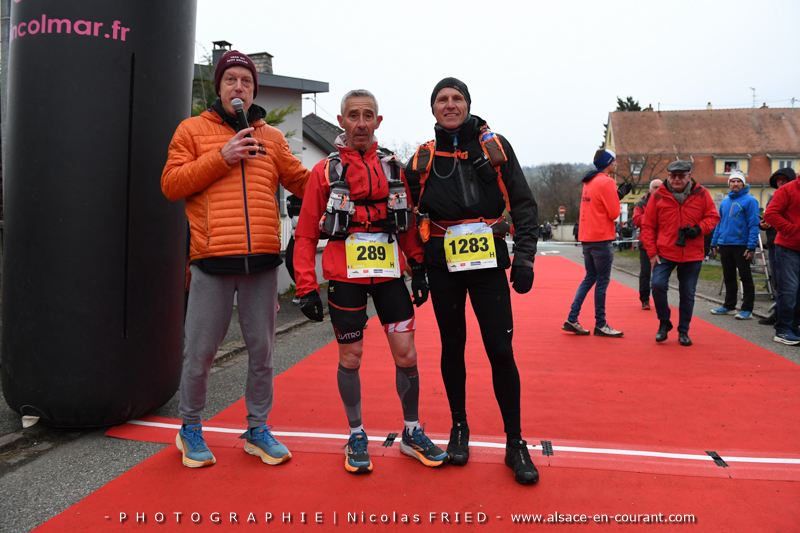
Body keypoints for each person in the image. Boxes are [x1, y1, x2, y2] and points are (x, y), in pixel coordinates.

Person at [161, 51, 310, 468]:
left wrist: (337, 170)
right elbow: (171, 184)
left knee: (263, 353)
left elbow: (301, 180)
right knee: (200, 354)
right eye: (231, 80)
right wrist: (220, 157)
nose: (239, 87)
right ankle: (190, 428)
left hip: (261, 263)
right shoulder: (191, 130)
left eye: (246, 80)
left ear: (253, 90)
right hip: (211, 262)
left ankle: (258, 430)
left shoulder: (272, 138)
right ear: (219, 88)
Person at [293, 89, 447, 474]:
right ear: (341, 121)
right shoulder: (324, 171)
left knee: (407, 354)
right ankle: (356, 433)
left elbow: (406, 224)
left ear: (378, 122)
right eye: (353, 115)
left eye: (367, 115)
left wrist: (418, 267)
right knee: (351, 357)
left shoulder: (393, 168)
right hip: (345, 277)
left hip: (390, 276)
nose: (360, 123)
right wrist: (306, 287)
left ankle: (412, 431)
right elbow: (306, 234)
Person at [405, 77, 539, 484]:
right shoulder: (422, 158)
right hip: (442, 266)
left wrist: (525, 257)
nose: (450, 105)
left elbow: (523, 202)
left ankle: (515, 443)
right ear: (433, 109)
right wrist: (417, 270)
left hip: (488, 266)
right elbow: (407, 217)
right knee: (453, 347)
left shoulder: (494, 148)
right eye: (442, 100)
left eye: (457, 98)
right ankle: (459, 428)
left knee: (500, 350)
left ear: (467, 104)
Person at [639, 161, 720, 346]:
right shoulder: (658, 195)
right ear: (668, 176)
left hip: (692, 253)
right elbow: (647, 225)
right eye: (672, 175)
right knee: (657, 285)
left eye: (681, 176)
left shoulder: (702, 193)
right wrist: (652, 253)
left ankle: (683, 330)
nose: (676, 179)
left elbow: (713, 217)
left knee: (687, 293)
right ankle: (664, 322)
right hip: (665, 251)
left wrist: (699, 229)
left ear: (689, 176)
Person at [563, 149, 629, 338]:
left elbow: (598, 206)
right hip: (601, 238)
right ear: (607, 162)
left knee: (589, 277)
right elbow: (614, 213)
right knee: (602, 282)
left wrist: (615, 195)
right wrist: (618, 196)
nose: (616, 164)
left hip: (588, 237)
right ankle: (601, 324)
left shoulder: (589, 181)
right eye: (614, 161)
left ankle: (572, 317)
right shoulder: (607, 181)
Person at [709, 170, 760, 319]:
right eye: (733, 181)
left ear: (743, 183)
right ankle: (729, 306)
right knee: (728, 276)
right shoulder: (725, 202)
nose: (735, 184)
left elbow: (754, 224)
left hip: (741, 245)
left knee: (745, 277)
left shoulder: (750, 201)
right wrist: (714, 242)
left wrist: (751, 246)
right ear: (729, 184)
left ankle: (747, 309)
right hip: (725, 244)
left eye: (738, 181)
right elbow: (719, 224)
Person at [763, 168, 800, 345]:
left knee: (798, 291)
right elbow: (770, 214)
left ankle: (793, 326)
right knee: (789, 290)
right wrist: (791, 230)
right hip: (788, 247)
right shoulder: (788, 189)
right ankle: (783, 329)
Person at [632, 179, 662, 310]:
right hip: (646, 243)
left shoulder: (667, 202)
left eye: (660, 187)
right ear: (650, 189)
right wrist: (651, 216)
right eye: (655, 187)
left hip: (662, 243)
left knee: (661, 274)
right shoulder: (641, 203)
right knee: (645, 272)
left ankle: (660, 299)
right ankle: (645, 299)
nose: (658, 190)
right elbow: (636, 220)